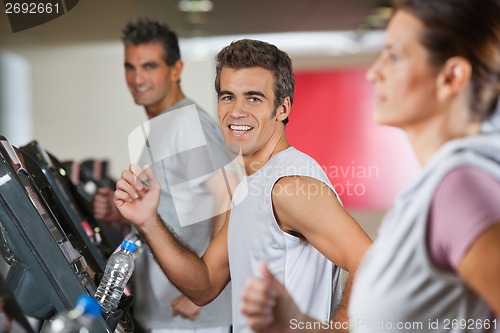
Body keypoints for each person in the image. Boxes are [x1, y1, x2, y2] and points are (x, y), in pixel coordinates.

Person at [239, 0, 500, 332]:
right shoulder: (431, 189)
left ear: (451, 77)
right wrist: (295, 324)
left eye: (393, 56)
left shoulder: (459, 189)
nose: (373, 72)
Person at [113, 39, 373, 333]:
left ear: (282, 108)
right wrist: (149, 221)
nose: (236, 111)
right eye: (228, 97)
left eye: (253, 98)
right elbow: (206, 284)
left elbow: (372, 263)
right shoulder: (251, 185)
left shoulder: (287, 186)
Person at [92, 19, 232, 333]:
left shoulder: (188, 125)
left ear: (175, 69)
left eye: (149, 66)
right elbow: (169, 207)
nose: (137, 78)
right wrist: (119, 211)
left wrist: (203, 289)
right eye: (130, 67)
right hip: (163, 309)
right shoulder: (164, 125)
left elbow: (231, 202)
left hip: (189, 316)